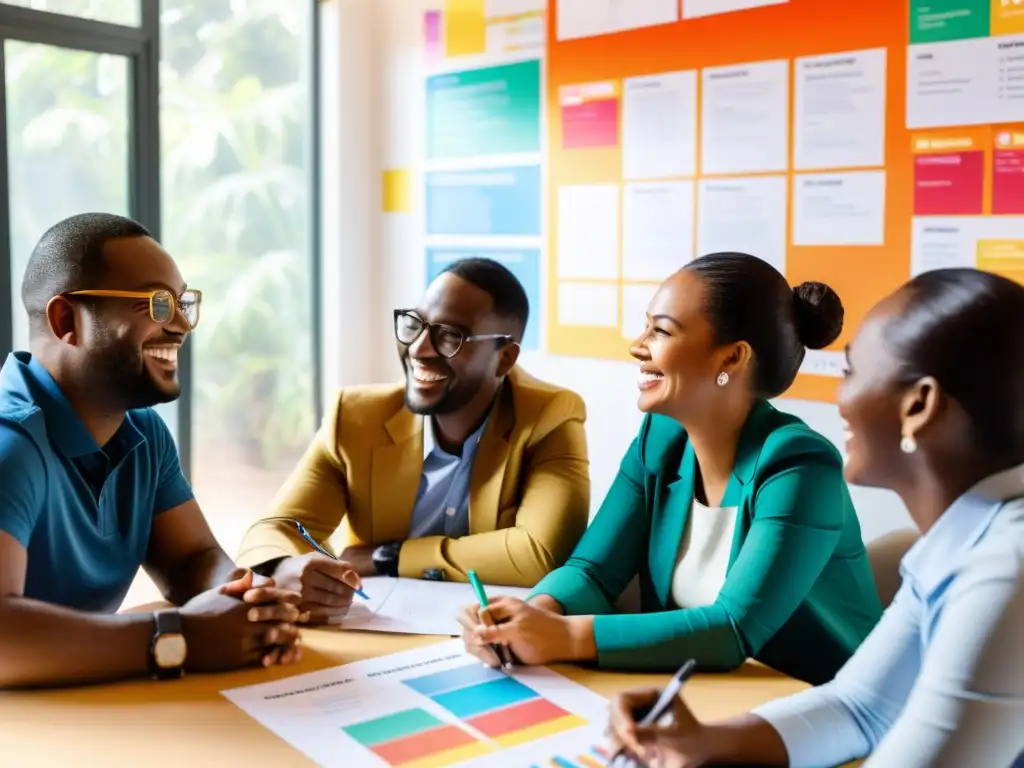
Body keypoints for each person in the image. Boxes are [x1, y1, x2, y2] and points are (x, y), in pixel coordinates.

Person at [607, 267, 1024, 768]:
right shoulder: (960, 540)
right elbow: (861, 707)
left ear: (919, 405)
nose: (839, 399)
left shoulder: (1004, 572)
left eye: (852, 372)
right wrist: (706, 741)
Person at [459, 252, 882, 685]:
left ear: (732, 359)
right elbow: (593, 571)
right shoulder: (658, 438)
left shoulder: (800, 466)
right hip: (702, 693)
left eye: (660, 330)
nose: (637, 346)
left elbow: (732, 630)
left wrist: (563, 635)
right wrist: (537, 612)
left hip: (827, 708)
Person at [0, 213, 303, 690]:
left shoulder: (142, 431)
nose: (181, 324)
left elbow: (191, 558)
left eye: (181, 302)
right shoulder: (9, 445)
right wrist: (178, 638)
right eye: (156, 303)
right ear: (67, 321)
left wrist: (244, 597)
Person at [237, 257, 590, 623]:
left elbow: (541, 555)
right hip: (377, 634)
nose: (419, 348)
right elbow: (274, 529)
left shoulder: (550, 416)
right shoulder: (357, 418)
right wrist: (285, 568)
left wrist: (387, 557)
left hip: (493, 639)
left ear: (504, 359)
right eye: (415, 324)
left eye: (450, 335)